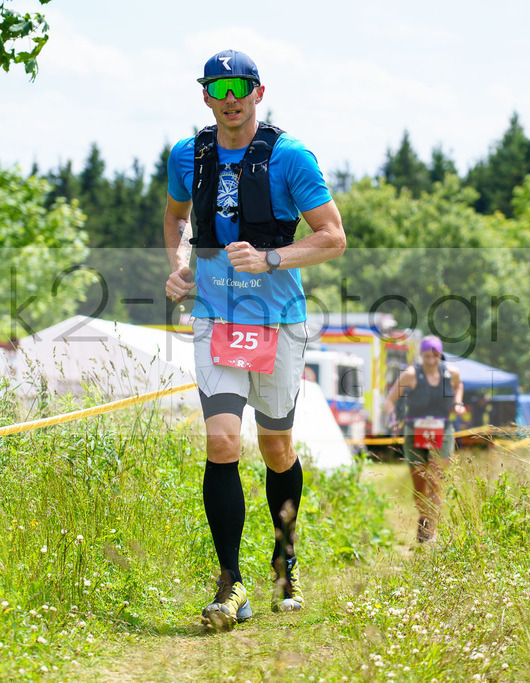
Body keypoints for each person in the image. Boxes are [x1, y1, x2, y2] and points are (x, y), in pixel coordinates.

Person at [163, 49, 346, 631]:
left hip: (278, 321)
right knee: (221, 442)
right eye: (218, 86)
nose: (230, 95)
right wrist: (178, 265)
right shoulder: (188, 155)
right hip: (216, 318)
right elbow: (175, 218)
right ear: (206, 96)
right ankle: (229, 585)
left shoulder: (290, 157)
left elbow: (333, 238)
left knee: (276, 450)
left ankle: (286, 562)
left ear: (259, 92)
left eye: (240, 84)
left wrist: (271, 258)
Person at [383, 336, 465, 543]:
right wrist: (392, 418)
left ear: (440, 355)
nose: (431, 360)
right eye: (427, 356)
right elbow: (390, 400)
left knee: (435, 479)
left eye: (435, 356)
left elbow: (459, 386)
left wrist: (458, 403)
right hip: (414, 430)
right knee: (419, 481)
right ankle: (423, 518)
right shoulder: (411, 375)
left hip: (442, 429)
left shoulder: (451, 373)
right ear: (421, 355)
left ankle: (431, 532)